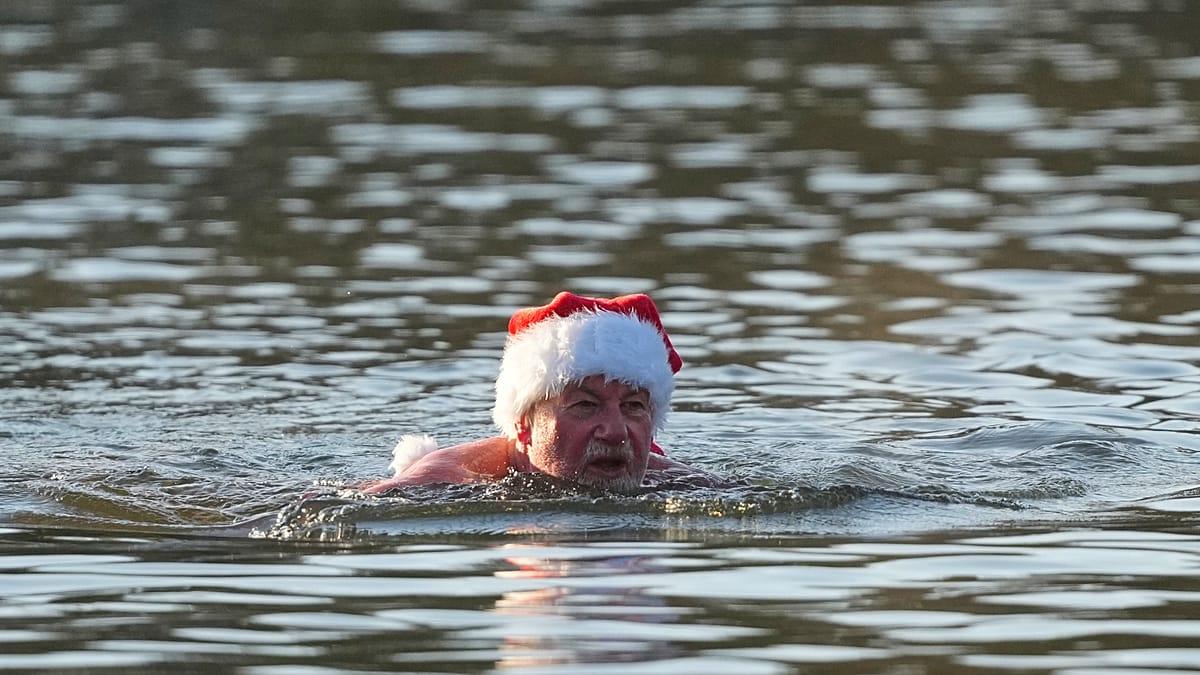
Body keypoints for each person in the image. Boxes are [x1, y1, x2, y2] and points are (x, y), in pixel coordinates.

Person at [359, 291, 719, 494]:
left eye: (634, 407)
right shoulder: (446, 481)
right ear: (523, 423)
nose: (615, 431)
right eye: (585, 406)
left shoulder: (677, 482)